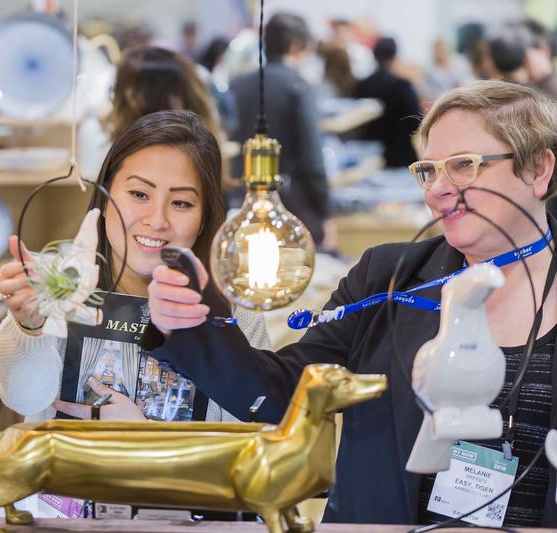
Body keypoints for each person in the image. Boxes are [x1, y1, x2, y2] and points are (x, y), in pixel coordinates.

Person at [143, 80, 557, 527]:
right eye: (429, 170)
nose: (438, 187)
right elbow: (284, 394)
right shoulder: (387, 278)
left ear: (538, 170)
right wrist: (192, 323)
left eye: (463, 166)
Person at [0, 110, 270, 423]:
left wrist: (144, 440)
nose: (156, 220)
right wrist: (29, 328)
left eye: (181, 203)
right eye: (139, 194)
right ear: (106, 192)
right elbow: (23, 399)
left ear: (205, 216)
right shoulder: (58, 279)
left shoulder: (234, 310)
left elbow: (251, 437)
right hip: (64, 471)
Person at [229, 13, 331, 247]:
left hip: (243, 201)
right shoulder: (298, 87)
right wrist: (325, 212)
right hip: (293, 207)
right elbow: (312, 160)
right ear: (296, 45)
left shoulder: (237, 85)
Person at [354, 36, 422, 168]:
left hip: (367, 156)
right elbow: (416, 120)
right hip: (398, 156)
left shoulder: (362, 85)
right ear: (395, 57)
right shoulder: (400, 85)